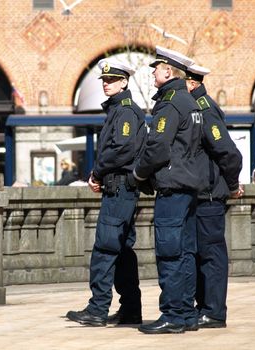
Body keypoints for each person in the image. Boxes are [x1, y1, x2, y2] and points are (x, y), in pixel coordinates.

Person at [66, 59, 147, 326]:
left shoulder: (125, 111)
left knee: (105, 248)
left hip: (119, 187)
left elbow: (121, 149)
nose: (106, 84)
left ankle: (97, 309)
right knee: (122, 250)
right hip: (120, 187)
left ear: (124, 82)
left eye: (111, 80)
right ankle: (130, 310)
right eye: (104, 80)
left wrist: (97, 172)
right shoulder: (119, 110)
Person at [132, 47, 203, 334]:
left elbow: (158, 146)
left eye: (156, 68)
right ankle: (185, 313)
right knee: (186, 251)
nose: (152, 73)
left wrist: (139, 172)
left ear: (168, 71)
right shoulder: (191, 103)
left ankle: (172, 314)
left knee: (170, 252)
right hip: (189, 185)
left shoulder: (170, 103)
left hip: (172, 187)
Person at [185, 63, 244, 329]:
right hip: (200, 194)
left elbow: (228, 153)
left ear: (193, 84)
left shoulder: (205, 110)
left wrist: (232, 185)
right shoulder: (196, 108)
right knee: (200, 255)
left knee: (211, 256)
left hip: (210, 195)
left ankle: (214, 311)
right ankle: (205, 307)